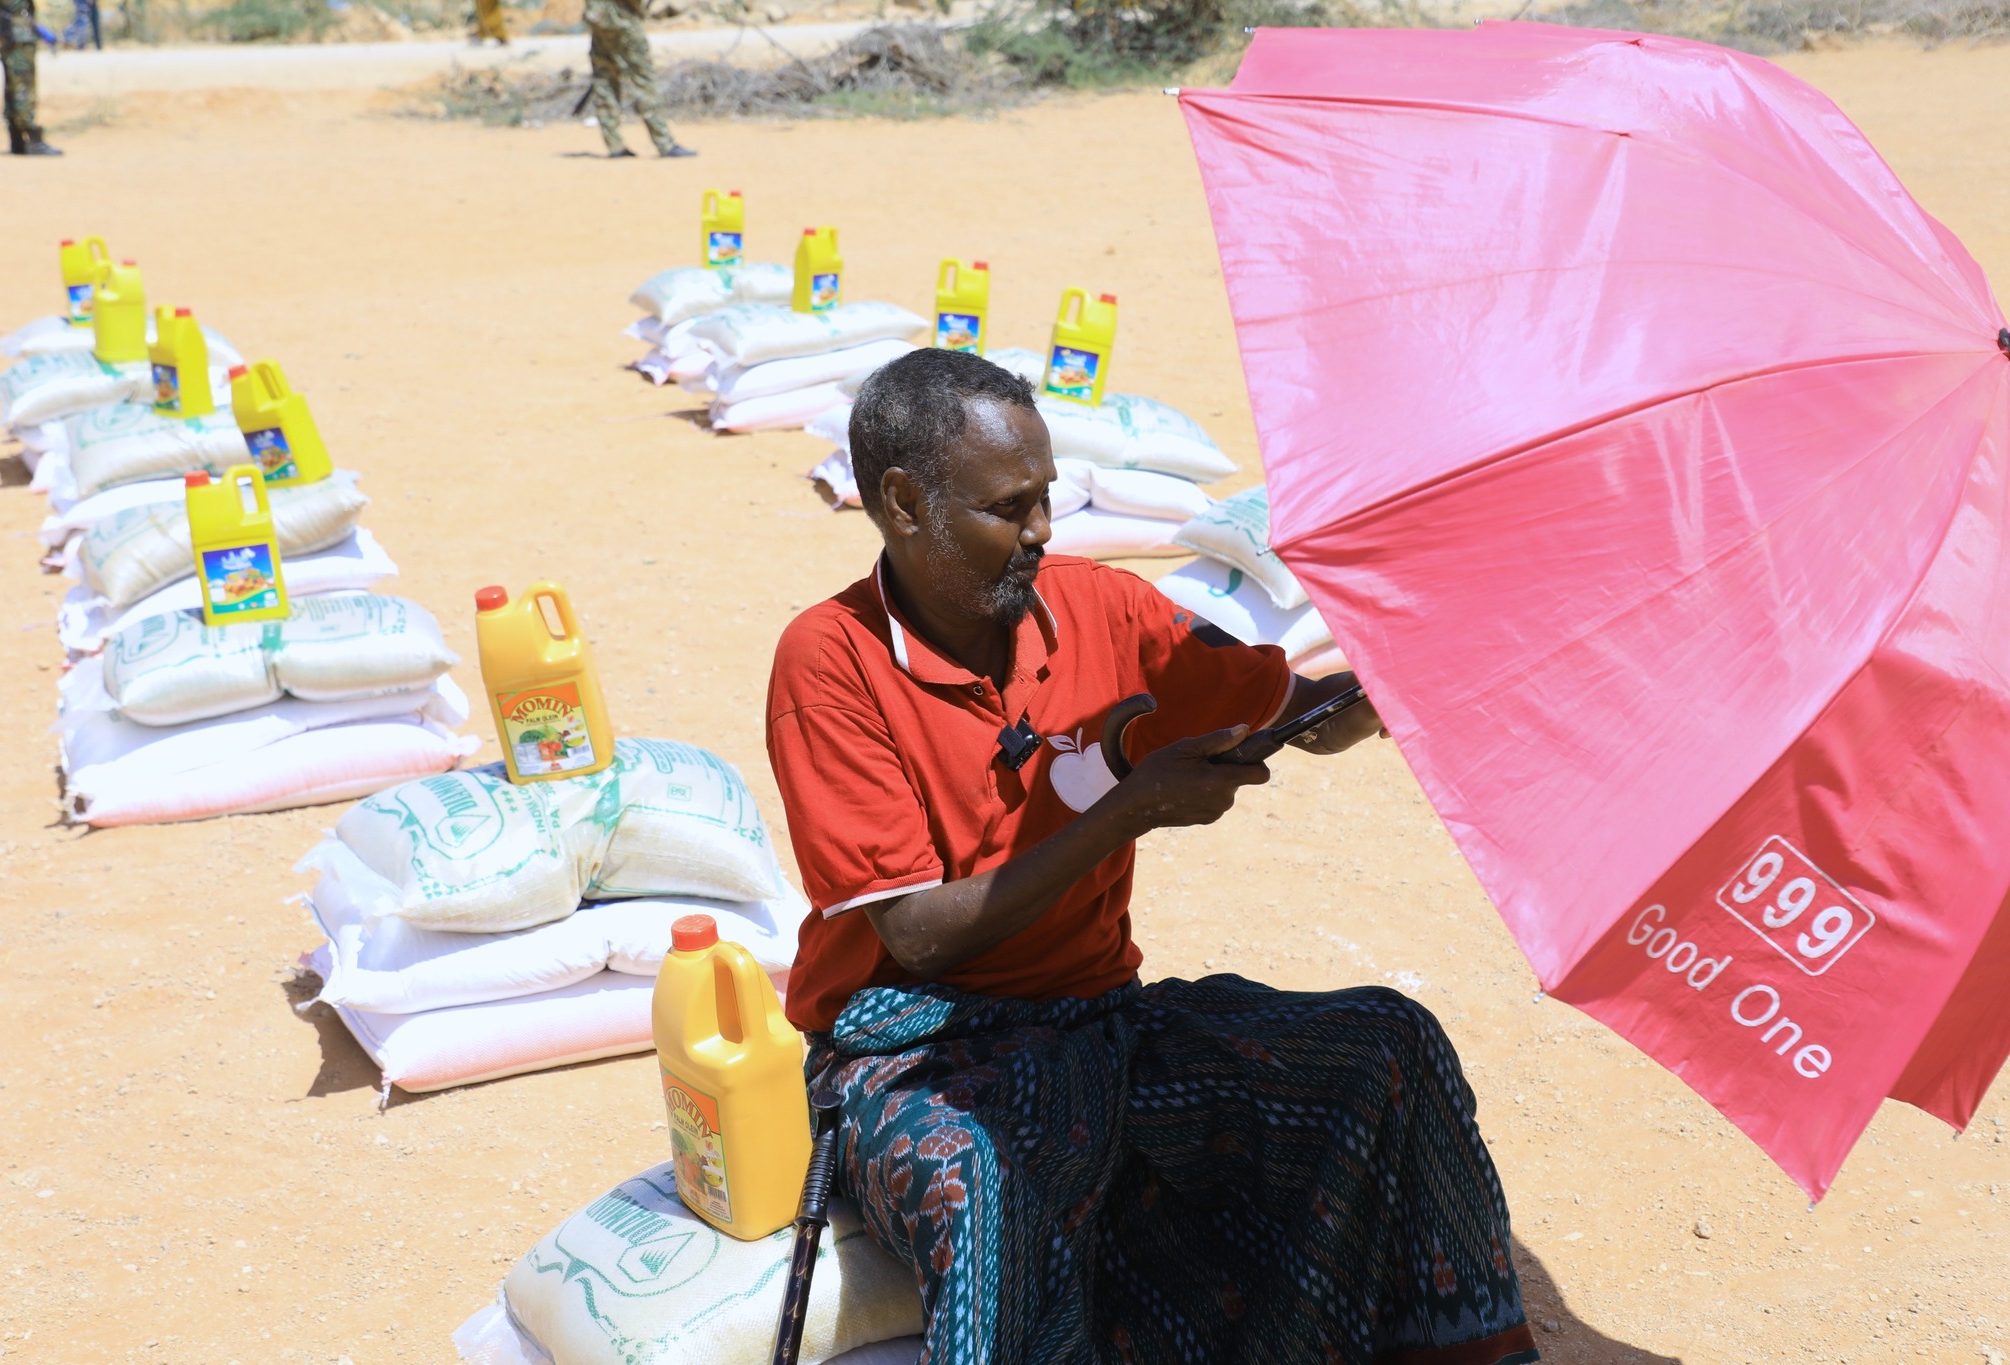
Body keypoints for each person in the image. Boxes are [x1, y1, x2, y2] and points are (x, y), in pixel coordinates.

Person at [765, 348, 1538, 1365]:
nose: (1042, 530)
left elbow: (1300, 711)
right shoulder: (830, 662)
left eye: (1046, 496)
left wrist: (1412, 664)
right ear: (905, 504)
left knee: (1384, 1046)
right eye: (1008, 508)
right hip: (911, 1055)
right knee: (981, 1175)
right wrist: (1130, 810)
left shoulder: (1101, 607)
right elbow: (915, 935)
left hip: (1099, 1025)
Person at [583, 0, 693, 160]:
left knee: (605, 80)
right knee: (644, 81)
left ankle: (615, 145)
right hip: (623, 22)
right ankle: (664, 143)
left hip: (599, 21)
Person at [0, 0, 61, 157]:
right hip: (19, 37)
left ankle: (17, 139)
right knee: (23, 86)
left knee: (13, 86)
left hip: (11, 34)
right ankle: (32, 137)